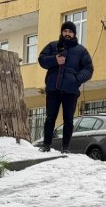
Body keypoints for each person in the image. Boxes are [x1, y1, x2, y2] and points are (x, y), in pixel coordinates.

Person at [38, 21, 94, 153]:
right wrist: (54, 60)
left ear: (74, 34)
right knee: (50, 117)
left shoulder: (81, 50)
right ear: (62, 32)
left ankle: (65, 147)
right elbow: (41, 59)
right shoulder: (53, 46)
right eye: (65, 31)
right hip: (53, 88)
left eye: (70, 31)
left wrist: (76, 79)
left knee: (68, 120)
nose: (67, 33)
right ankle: (46, 145)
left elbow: (88, 69)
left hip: (71, 90)